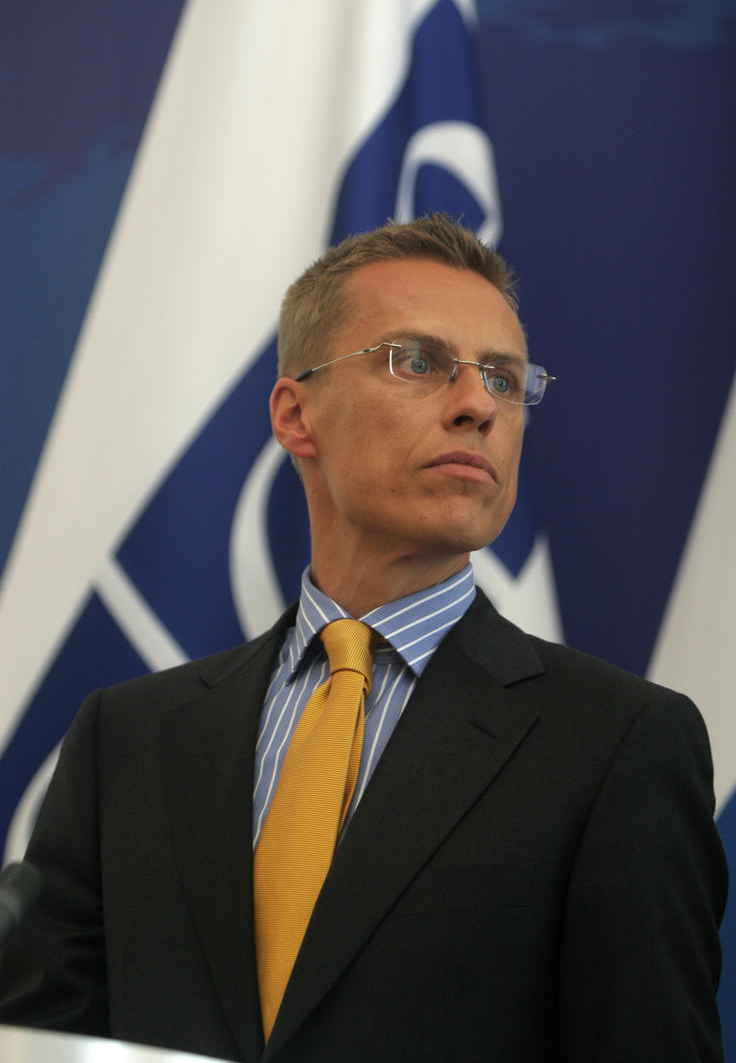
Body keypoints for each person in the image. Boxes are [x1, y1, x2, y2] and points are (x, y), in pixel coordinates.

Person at [0, 214, 727, 1062]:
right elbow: (42, 1040)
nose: (478, 406)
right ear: (295, 415)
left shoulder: (618, 745)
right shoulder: (127, 737)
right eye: (417, 361)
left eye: (503, 379)